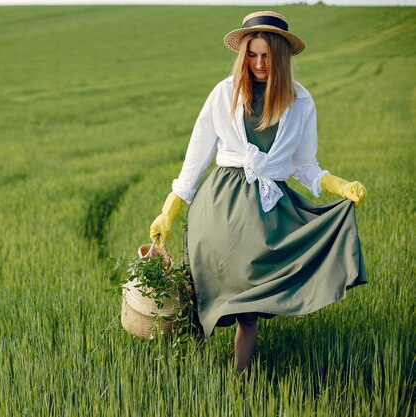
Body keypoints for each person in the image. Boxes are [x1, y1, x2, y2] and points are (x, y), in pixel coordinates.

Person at [149, 11, 367, 375]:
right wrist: (170, 208)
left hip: (265, 215)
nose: (259, 63)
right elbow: (197, 156)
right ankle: (191, 376)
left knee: (247, 312)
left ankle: (240, 384)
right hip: (218, 209)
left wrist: (337, 185)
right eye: (252, 54)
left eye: (267, 55)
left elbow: (304, 165)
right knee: (202, 295)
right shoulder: (224, 93)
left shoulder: (300, 102)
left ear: (280, 56)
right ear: (243, 55)